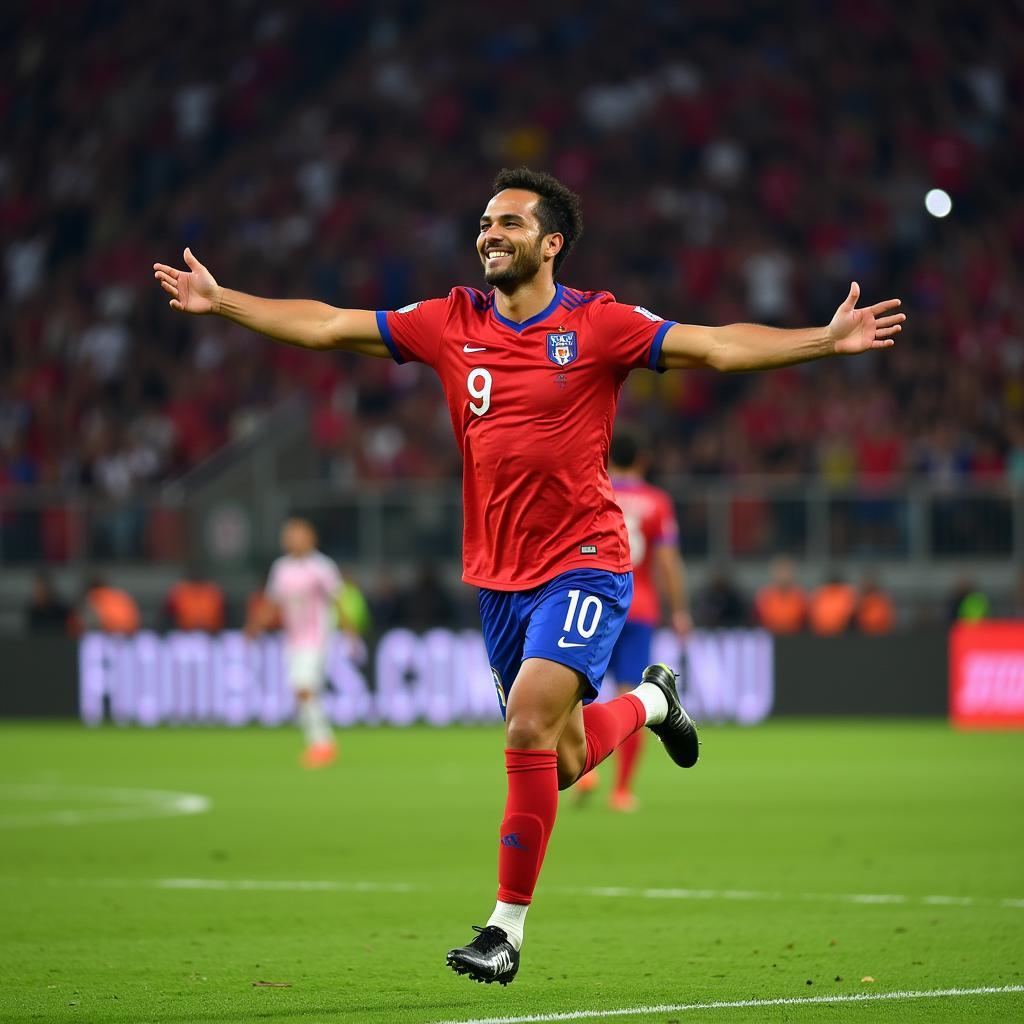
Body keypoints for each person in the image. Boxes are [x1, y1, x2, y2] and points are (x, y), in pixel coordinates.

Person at [154, 166, 904, 985]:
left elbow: (718, 345)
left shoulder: (601, 324)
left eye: (509, 223)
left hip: (585, 560)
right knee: (566, 759)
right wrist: (223, 300)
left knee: (524, 727)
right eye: (485, 222)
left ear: (551, 244)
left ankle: (504, 930)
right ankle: (653, 700)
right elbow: (331, 326)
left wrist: (822, 341)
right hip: (499, 579)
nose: (490, 233)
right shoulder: (449, 321)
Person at [576, 427, 692, 812]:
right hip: (638, 607)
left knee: (575, 690)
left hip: (594, 604)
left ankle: (583, 769)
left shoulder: (595, 491)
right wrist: (679, 610)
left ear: (609, 458)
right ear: (642, 460)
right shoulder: (656, 502)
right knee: (630, 696)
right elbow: (667, 562)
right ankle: (621, 790)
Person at [248, 517, 342, 768]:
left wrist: (349, 629)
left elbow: (337, 599)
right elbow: (272, 602)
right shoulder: (281, 568)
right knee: (301, 691)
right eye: (289, 535)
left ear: (311, 538)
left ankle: (322, 743)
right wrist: (254, 627)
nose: (292, 539)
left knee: (304, 686)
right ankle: (317, 742)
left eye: (297, 534)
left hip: (317, 637)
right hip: (293, 640)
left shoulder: (322, 567)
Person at [162, 566, 226, 633]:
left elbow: (223, 613)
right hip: (183, 634)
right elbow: (168, 614)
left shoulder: (213, 591)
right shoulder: (180, 591)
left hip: (211, 633)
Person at [755, 556, 807, 634]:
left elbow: (805, 622)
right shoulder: (765, 597)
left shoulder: (800, 597)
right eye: (780, 571)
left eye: (787, 571)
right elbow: (757, 622)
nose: (784, 575)